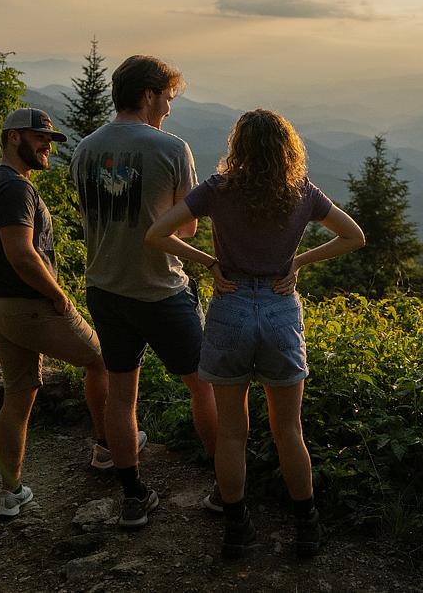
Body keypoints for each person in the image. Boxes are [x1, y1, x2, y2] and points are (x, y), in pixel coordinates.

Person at [144, 108, 366, 559]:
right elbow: (354, 236)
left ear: (238, 146)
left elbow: (157, 233)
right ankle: (307, 528)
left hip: (230, 308)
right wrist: (298, 262)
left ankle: (236, 531)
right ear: (288, 150)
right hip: (281, 310)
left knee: (231, 432)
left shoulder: (218, 189)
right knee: (289, 430)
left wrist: (209, 264)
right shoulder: (300, 191)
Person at [70, 55, 219, 529]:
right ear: (150, 94)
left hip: (104, 287)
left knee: (121, 393)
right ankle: (225, 481)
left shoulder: (84, 149)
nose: (170, 109)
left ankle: (132, 495)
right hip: (160, 288)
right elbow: (189, 228)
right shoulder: (171, 149)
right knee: (203, 385)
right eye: (168, 98)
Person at [0, 107, 110, 518]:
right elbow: (21, 253)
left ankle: (10, 492)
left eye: (50, 141)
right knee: (104, 360)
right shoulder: (16, 188)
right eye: (40, 139)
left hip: (0, 307)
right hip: (31, 309)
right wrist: (59, 296)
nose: (47, 148)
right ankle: (107, 449)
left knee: (18, 396)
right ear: (13, 137)